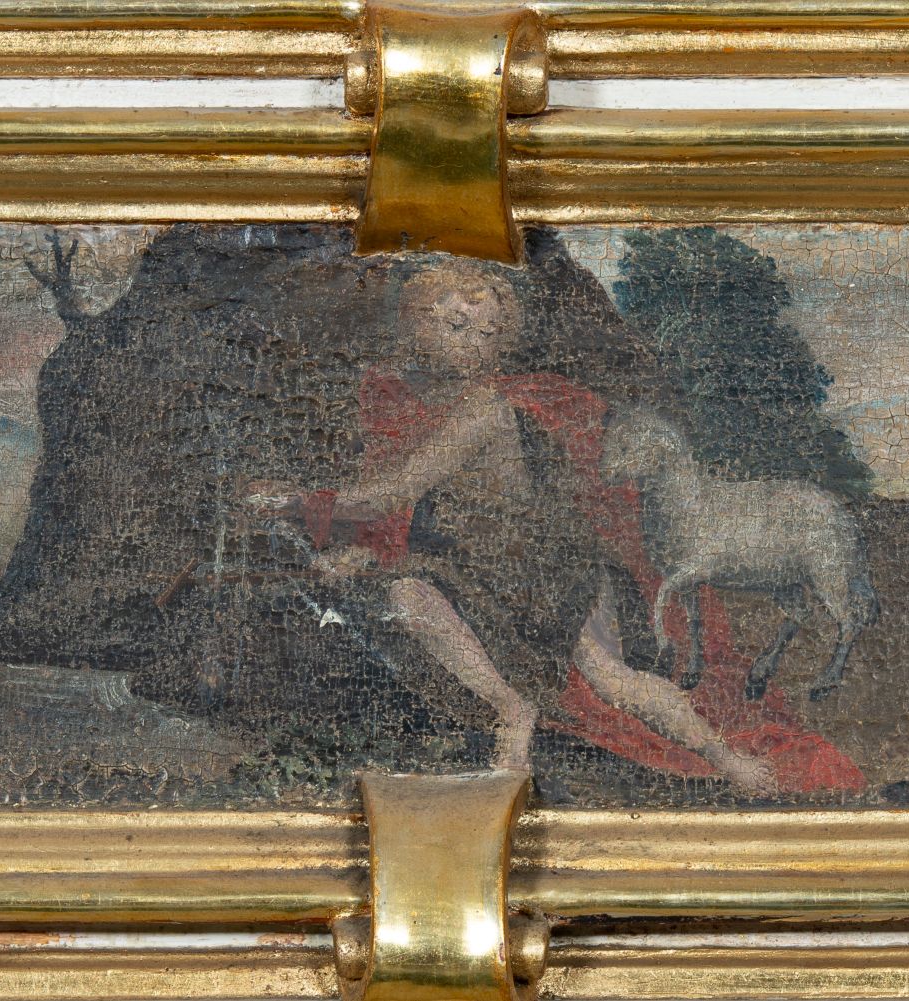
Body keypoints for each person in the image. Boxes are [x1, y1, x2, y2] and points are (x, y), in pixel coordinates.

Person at [256, 255, 798, 795]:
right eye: (457, 326)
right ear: (413, 323)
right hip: (465, 560)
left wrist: (295, 501)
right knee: (407, 596)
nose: (476, 345)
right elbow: (400, 512)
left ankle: (725, 757)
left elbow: (391, 495)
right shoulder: (396, 399)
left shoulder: (482, 406)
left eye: (489, 333)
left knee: (610, 679)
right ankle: (512, 709)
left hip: (540, 565)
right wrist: (363, 550)